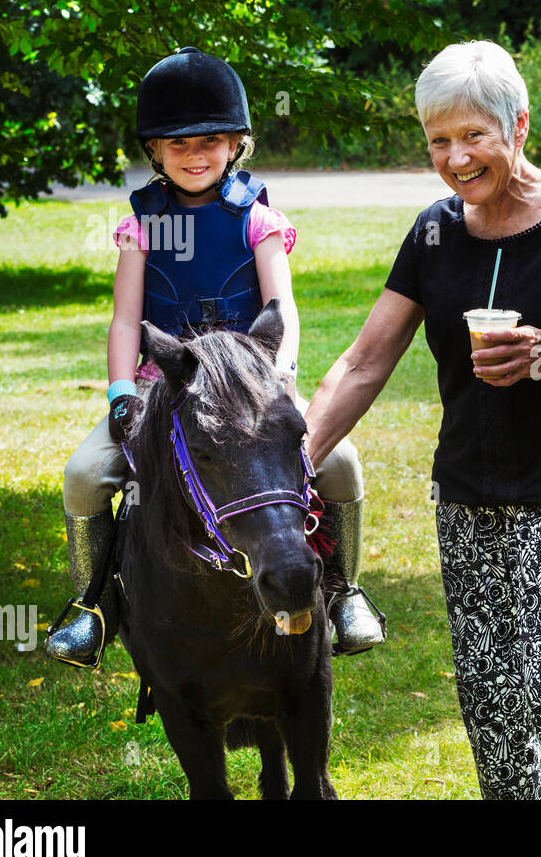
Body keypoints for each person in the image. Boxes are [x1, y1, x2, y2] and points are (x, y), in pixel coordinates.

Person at [303, 39, 541, 799]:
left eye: (473, 135)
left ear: (519, 125)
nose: (456, 157)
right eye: (438, 140)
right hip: (467, 496)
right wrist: (296, 458)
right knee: (494, 710)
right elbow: (364, 361)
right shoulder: (435, 233)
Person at [45, 47, 383, 668]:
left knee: (342, 465)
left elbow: (285, 308)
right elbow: (125, 319)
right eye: (178, 145)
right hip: (161, 388)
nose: (195, 155)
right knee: (85, 475)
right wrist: (121, 392)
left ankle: (342, 591)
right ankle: (93, 605)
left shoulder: (258, 220)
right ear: (154, 152)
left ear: (236, 144)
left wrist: (277, 378)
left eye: (210, 141)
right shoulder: (142, 227)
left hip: (254, 382)